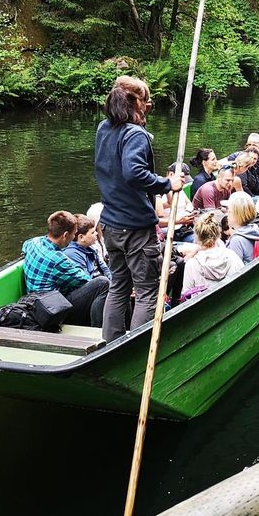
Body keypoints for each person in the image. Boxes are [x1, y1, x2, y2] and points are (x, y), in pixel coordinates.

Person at [94, 75, 184, 341]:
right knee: (146, 290)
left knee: (118, 286)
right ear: (135, 102)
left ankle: (112, 343)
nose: (148, 107)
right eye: (147, 102)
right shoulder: (135, 135)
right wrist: (167, 184)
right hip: (135, 227)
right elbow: (134, 173)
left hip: (110, 223)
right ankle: (137, 347)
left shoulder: (103, 128)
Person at [22, 210, 109, 328]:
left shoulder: (33, 242)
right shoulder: (59, 260)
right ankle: (98, 330)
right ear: (65, 235)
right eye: (73, 234)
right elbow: (85, 279)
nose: (74, 238)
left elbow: (24, 248)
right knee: (102, 283)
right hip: (51, 310)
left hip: (32, 302)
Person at [181, 211, 243, 294]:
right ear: (218, 234)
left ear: (197, 237)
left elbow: (186, 295)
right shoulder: (232, 255)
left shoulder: (191, 265)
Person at [225, 192, 259, 264]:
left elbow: (234, 271)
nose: (227, 214)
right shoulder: (256, 230)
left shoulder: (237, 240)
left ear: (237, 215)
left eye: (229, 212)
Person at [63, 214, 111, 280]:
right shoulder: (72, 254)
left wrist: (113, 281)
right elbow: (85, 280)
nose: (96, 233)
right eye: (92, 232)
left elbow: (104, 267)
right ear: (81, 237)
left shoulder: (90, 247)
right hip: (94, 285)